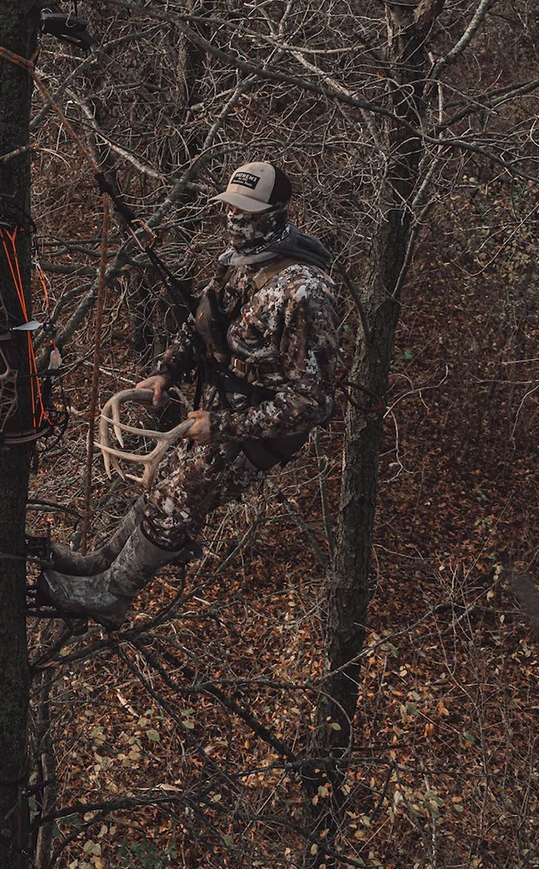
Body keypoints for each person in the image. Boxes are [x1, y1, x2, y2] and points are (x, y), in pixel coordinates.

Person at [39, 161, 342, 625]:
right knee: (162, 489)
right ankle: (98, 565)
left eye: (249, 213)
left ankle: (111, 595)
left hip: (255, 432)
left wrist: (221, 426)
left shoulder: (305, 291)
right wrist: (165, 372)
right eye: (231, 210)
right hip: (214, 415)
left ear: (278, 213)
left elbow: (313, 402)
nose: (236, 222)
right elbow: (197, 327)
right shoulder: (233, 265)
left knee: (176, 500)